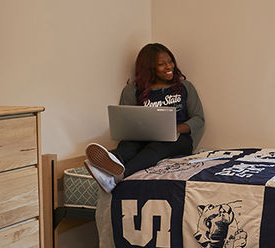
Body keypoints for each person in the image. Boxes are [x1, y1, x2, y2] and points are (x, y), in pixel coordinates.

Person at [84, 43, 205, 193]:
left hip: (178, 139)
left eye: (170, 61)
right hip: (143, 137)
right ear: (149, 68)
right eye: (161, 64)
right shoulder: (133, 90)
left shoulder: (184, 87)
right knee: (128, 145)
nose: (169, 66)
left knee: (157, 147)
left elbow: (199, 118)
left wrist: (174, 129)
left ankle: (118, 177)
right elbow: (125, 121)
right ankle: (110, 163)